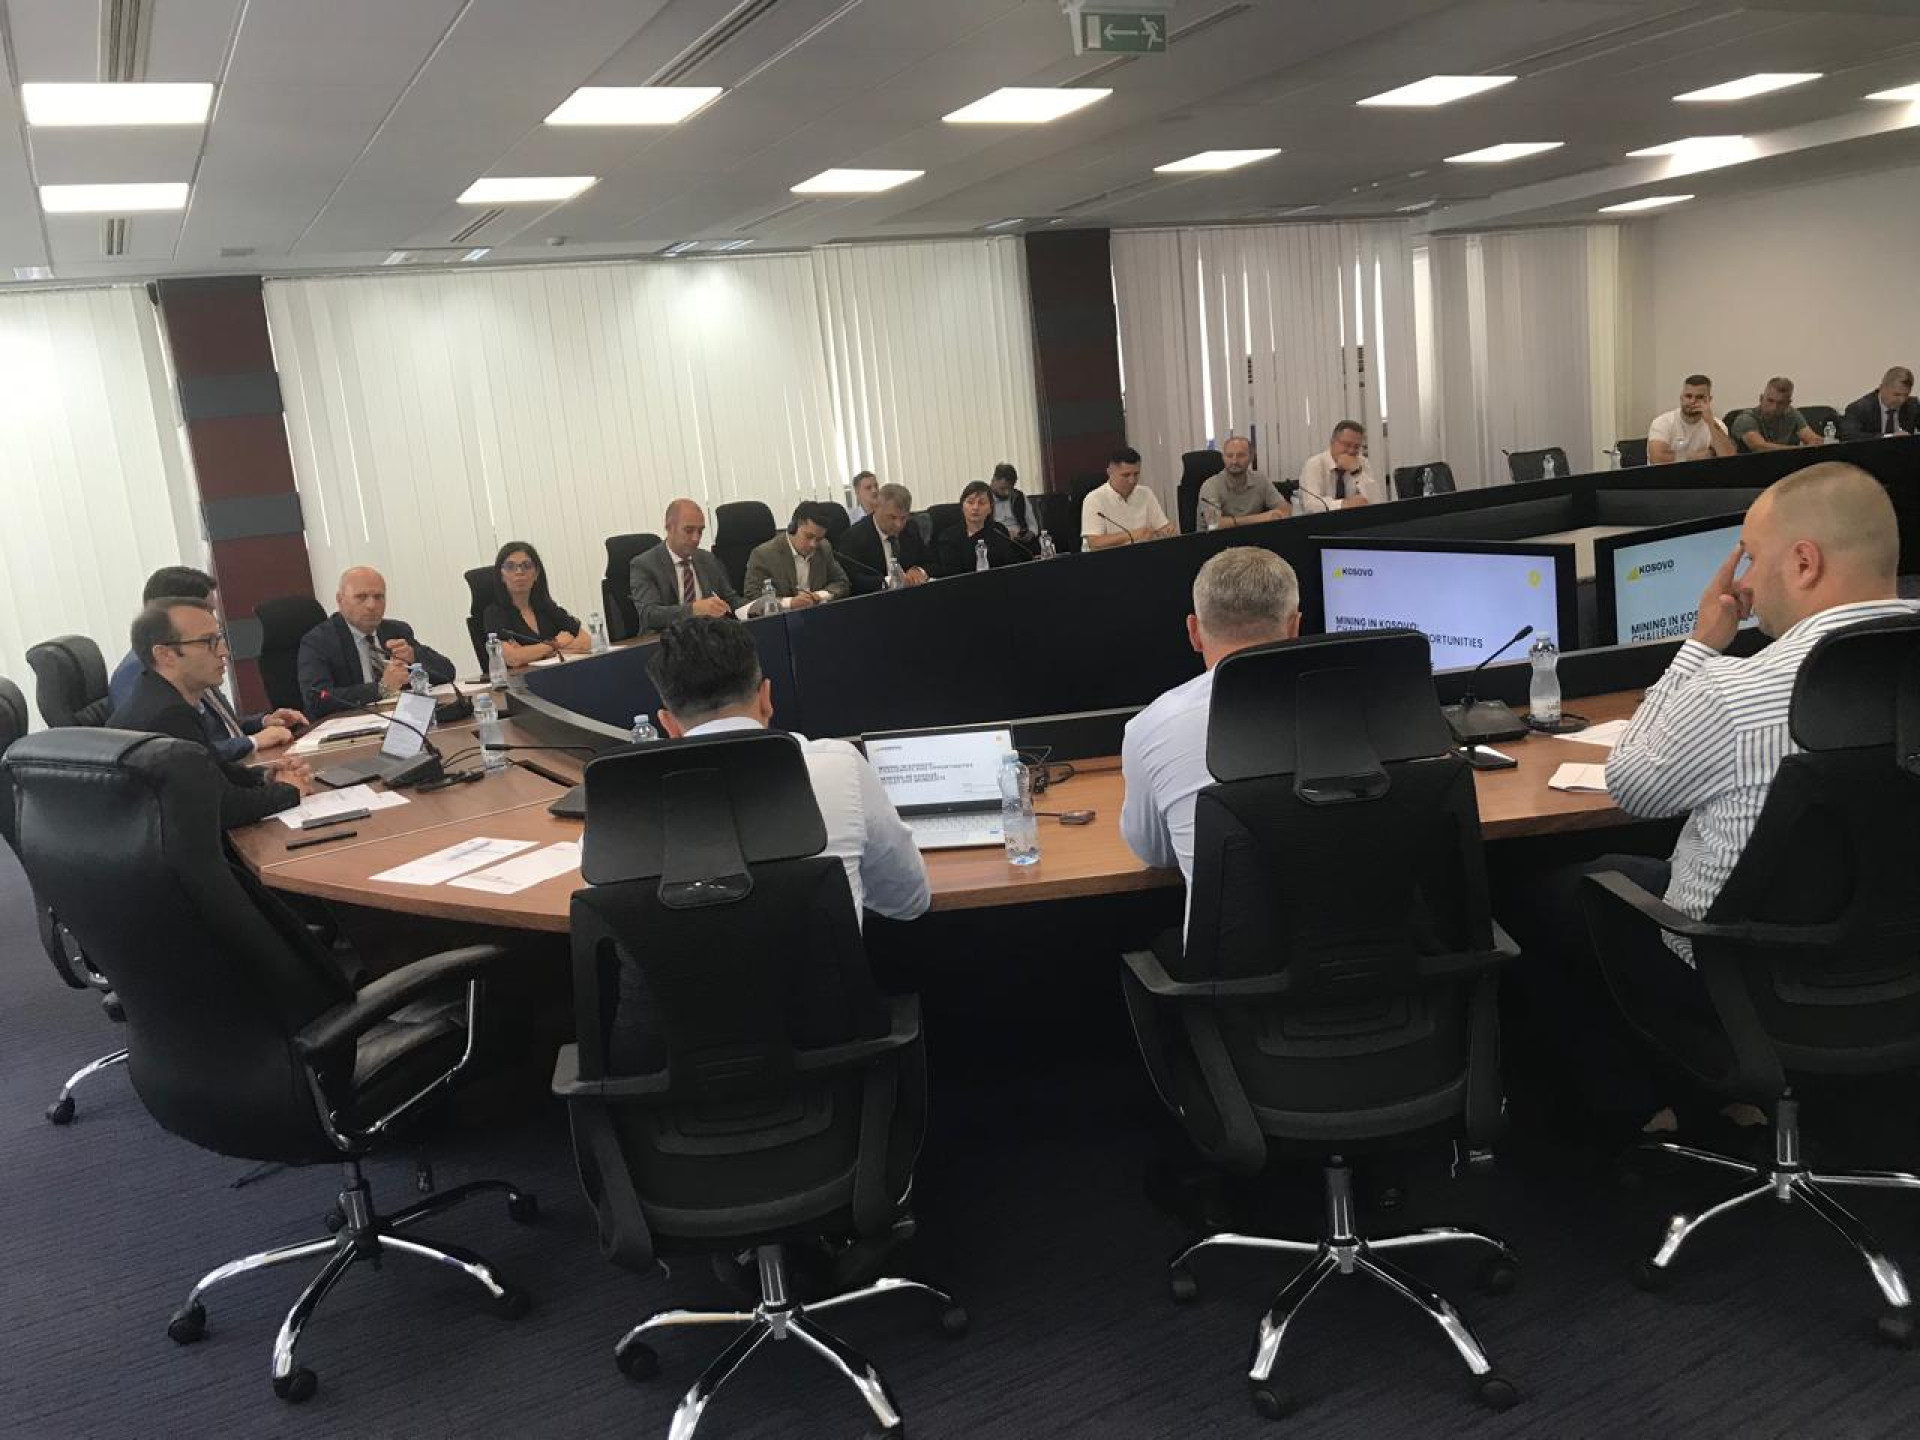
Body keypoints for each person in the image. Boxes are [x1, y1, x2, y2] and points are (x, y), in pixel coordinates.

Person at [1518, 462, 1915, 1136]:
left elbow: (1632, 784)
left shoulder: (1737, 692)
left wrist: (1701, 645)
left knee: (1539, 896)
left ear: (1805, 563)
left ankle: (1638, 1113)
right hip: (1900, 961)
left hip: (1741, 974)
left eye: (1751, 557)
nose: (1745, 583)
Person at [646, 616, 928, 924]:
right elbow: (908, 901)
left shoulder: (627, 802)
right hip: (824, 957)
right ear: (766, 698)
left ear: (669, 725)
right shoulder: (839, 765)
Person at [1120, 548, 1302, 921]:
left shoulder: (1150, 728)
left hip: (1237, 955)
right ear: (1294, 626)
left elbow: (1155, 853)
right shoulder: (1371, 706)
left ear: (1194, 632)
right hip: (1386, 952)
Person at [109, 598, 311, 827]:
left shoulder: (159, 695)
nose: (224, 651)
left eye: (220, 638)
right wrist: (289, 791)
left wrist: (266, 776)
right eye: (208, 642)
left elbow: (213, 771)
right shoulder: (167, 715)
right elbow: (221, 807)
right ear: (165, 655)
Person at [107, 564, 307, 762]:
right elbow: (188, 752)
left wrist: (263, 722)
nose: (223, 651)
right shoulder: (139, 675)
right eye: (207, 611)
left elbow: (221, 728)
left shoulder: (195, 665)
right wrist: (252, 742)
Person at [297, 567, 457, 716]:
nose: (371, 605)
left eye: (378, 597)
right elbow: (317, 698)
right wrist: (381, 689)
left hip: (400, 717)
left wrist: (414, 657)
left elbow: (447, 673)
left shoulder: (396, 631)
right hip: (352, 723)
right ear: (340, 600)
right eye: (361, 597)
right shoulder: (318, 641)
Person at [630, 499, 744, 635]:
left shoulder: (707, 559)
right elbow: (649, 615)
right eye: (689, 531)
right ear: (669, 528)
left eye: (700, 531)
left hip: (709, 638)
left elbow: (731, 599)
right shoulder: (645, 565)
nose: (696, 538)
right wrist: (694, 609)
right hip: (667, 640)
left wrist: (756, 606)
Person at [481, 541, 589, 666]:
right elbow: (513, 658)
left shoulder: (546, 607)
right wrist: (555, 643)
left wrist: (534, 653)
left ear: (536, 573)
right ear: (501, 576)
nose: (519, 572)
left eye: (526, 566)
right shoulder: (495, 614)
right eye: (510, 567)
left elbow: (585, 641)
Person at [741, 502, 851, 608]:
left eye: (819, 539)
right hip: (783, 617)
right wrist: (790, 603)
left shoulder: (824, 547)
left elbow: (842, 582)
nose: (813, 544)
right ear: (793, 528)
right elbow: (752, 598)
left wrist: (820, 595)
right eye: (808, 536)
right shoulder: (763, 555)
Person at [839, 482, 932, 592]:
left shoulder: (911, 528)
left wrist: (918, 570)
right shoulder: (854, 536)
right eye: (892, 517)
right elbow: (853, 580)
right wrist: (889, 581)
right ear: (876, 508)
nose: (898, 524)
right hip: (876, 598)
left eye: (903, 518)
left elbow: (930, 562)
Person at [1081, 446, 1175, 550]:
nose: (1132, 480)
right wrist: (1132, 535)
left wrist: (1168, 530)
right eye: (1126, 475)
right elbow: (1094, 543)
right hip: (1108, 558)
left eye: (1136, 474)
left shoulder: (1146, 493)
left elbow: (1162, 527)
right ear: (1109, 473)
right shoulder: (1094, 499)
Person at [936, 480, 1033, 576]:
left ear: (990, 508)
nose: (975, 507)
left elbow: (1011, 565)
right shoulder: (949, 537)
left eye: (982, 503)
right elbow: (952, 575)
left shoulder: (998, 530)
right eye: (970, 502)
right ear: (962, 506)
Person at [1196, 435, 1290, 528]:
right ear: (1223, 458)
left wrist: (1277, 515)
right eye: (1229, 456)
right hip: (1218, 537)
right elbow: (1215, 524)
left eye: (1240, 455)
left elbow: (1286, 509)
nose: (1234, 461)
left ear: (1251, 457)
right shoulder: (1210, 485)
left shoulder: (1260, 479)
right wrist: (1262, 518)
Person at [1647, 375, 1737, 464]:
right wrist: (1701, 456)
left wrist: (1710, 421)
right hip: (1668, 473)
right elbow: (1657, 458)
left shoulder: (1717, 425)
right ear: (1681, 397)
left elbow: (1729, 457)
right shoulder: (1662, 422)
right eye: (1688, 396)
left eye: (1699, 397)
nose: (1692, 401)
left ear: (1709, 400)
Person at [1298, 421, 1382, 508]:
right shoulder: (1313, 464)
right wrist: (1344, 504)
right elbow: (1310, 504)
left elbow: (1375, 501)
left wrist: (1356, 471)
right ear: (1332, 442)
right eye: (1347, 445)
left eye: (1356, 447)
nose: (1351, 451)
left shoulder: (1362, 462)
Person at [1729, 377, 1823, 453]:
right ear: (1761, 398)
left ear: (1788, 404)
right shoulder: (1746, 419)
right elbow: (1759, 447)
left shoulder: (1792, 414)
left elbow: (1812, 439)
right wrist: (1801, 449)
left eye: (1780, 403)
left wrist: (1817, 442)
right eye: (1770, 401)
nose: (1774, 407)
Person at [1839, 366, 1918, 441]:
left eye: (1906, 395)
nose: (1902, 400)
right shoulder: (1859, 408)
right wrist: (1888, 437)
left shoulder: (1912, 406)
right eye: (1896, 394)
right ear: (1882, 388)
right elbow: (1847, 435)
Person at [988, 462, 1041, 546]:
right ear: (993, 481)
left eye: (1009, 489)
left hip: (1019, 540)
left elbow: (1032, 524)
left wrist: (1031, 533)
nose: (1006, 493)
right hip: (996, 540)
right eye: (1003, 488)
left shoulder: (1019, 497)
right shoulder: (984, 500)